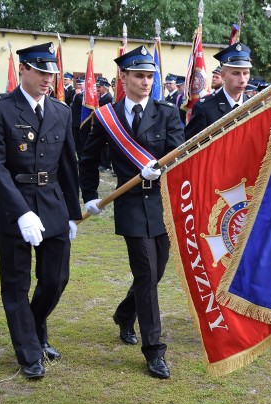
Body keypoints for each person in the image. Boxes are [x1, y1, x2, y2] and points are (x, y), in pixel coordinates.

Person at [0, 42, 81, 380]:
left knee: (56, 279)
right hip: (12, 205)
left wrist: (72, 213)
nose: (47, 79)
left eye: (51, 73)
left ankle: (32, 330)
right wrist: (21, 212)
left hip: (51, 202)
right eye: (40, 71)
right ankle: (29, 352)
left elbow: (68, 165)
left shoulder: (61, 111)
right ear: (23, 69)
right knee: (16, 284)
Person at [79, 45, 184, 379]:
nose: (146, 82)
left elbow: (178, 156)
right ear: (123, 77)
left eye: (150, 76)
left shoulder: (167, 112)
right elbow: (88, 159)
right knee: (146, 274)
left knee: (155, 273)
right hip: (129, 204)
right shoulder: (106, 116)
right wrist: (91, 195)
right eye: (139, 76)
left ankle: (125, 314)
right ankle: (154, 350)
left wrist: (162, 170)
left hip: (162, 202)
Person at [185, 42, 252, 140]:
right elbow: (192, 149)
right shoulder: (205, 108)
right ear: (223, 75)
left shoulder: (254, 104)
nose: (242, 80)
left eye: (245, 73)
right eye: (236, 73)